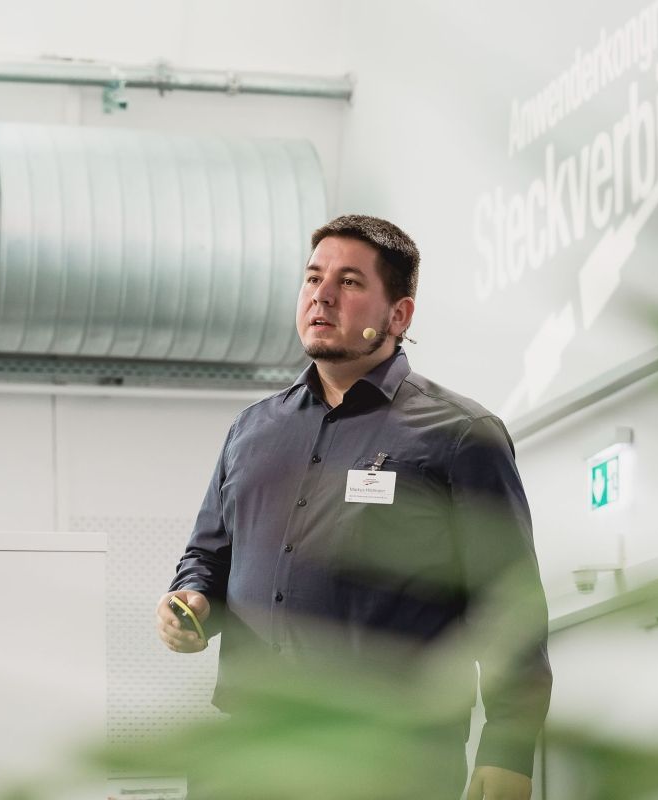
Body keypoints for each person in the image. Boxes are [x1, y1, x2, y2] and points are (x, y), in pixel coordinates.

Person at [155, 214, 551, 800]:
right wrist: (191, 601)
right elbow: (207, 558)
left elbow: (509, 606)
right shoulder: (251, 431)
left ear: (399, 315)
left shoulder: (461, 434)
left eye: (349, 282)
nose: (322, 295)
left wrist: (508, 750)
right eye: (313, 277)